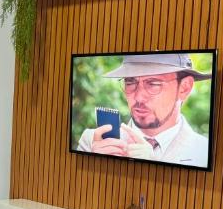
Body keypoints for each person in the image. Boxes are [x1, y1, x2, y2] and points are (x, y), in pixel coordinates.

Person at [76, 53, 211, 167]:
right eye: (130, 83)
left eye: (153, 84)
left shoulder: (204, 152)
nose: (139, 97)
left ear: (184, 88)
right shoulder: (93, 142)